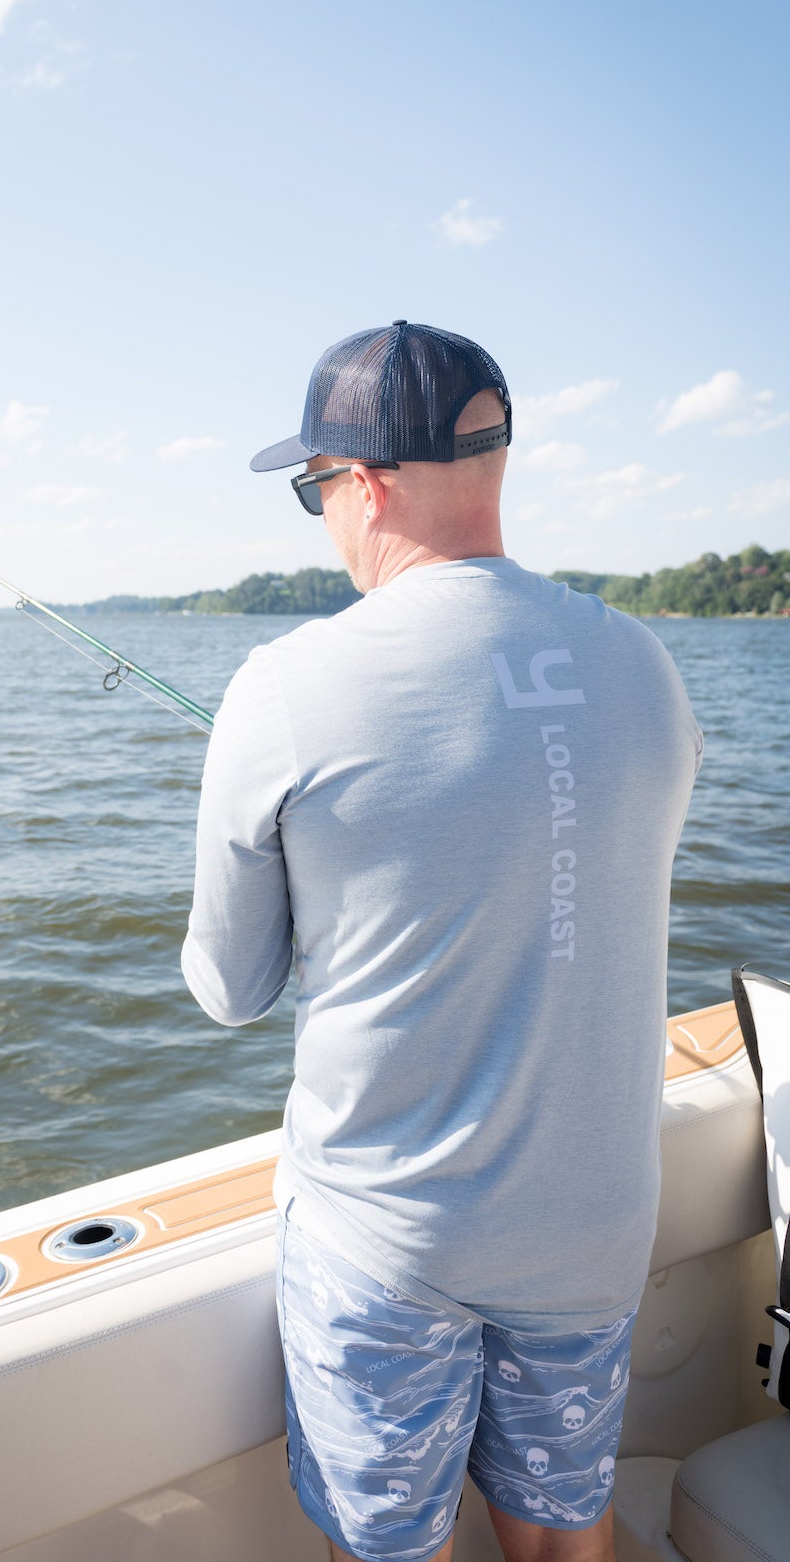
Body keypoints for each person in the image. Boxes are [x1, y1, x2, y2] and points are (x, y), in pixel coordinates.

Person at [180, 322, 702, 1562]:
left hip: (390, 1242)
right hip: (595, 1222)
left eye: (313, 490)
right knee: (568, 1537)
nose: (321, 516)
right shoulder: (647, 663)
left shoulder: (285, 687)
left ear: (363, 484)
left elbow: (230, 988)